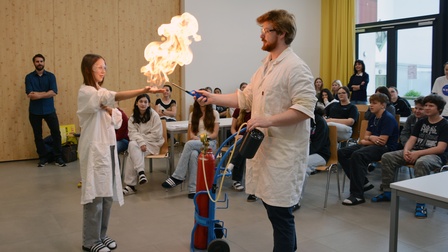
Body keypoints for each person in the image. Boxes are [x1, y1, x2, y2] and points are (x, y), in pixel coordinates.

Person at [195, 9, 317, 252]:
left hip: (284, 154)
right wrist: (212, 98)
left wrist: (267, 120)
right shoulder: (265, 67)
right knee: (275, 213)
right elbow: (245, 97)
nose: (261, 36)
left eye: (266, 30)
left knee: (281, 215)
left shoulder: (295, 67)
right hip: (266, 153)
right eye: (261, 31)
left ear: (281, 33)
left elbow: (305, 109)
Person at [77, 53, 161, 252]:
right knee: (95, 195)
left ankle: (101, 235)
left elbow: (118, 119)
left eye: (105, 67)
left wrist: (109, 110)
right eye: (99, 67)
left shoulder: (101, 92)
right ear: (89, 69)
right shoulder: (86, 92)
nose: (103, 70)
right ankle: (90, 241)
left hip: (108, 148)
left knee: (106, 194)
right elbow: (112, 98)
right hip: (95, 150)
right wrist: (142, 90)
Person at [371, 94, 448, 219]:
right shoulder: (421, 122)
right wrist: (407, 150)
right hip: (415, 151)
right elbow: (412, 139)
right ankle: (387, 192)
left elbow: (441, 148)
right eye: (426, 105)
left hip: (435, 156)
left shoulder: (445, 124)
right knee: (387, 157)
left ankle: (421, 202)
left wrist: (417, 153)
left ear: (439, 109)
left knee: (421, 163)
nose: (427, 108)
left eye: (431, 106)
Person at [338, 93, 399, 206]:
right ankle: (363, 183)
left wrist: (369, 139)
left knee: (358, 155)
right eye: (371, 103)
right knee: (341, 152)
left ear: (383, 105)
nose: (371, 105)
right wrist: (371, 138)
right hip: (371, 145)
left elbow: (382, 142)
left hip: (385, 149)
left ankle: (357, 194)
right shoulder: (373, 117)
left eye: (374, 103)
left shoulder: (388, 118)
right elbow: (364, 139)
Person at [162, 99, 219, 199]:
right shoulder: (193, 114)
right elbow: (190, 134)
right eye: (199, 99)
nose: (201, 101)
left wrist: (202, 138)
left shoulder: (215, 113)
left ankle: (178, 177)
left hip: (210, 143)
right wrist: (195, 138)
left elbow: (214, 134)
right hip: (196, 143)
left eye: (204, 98)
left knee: (188, 145)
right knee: (193, 154)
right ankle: (193, 189)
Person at [25, 54, 66, 167]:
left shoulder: (51, 76)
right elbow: (30, 95)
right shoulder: (29, 77)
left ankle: (58, 157)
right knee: (37, 135)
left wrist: (38, 94)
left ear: (44, 62)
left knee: (56, 133)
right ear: (34, 63)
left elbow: (54, 92)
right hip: (34, 111)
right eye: (37, 61)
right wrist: (45, 93)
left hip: (49, 110)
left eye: (41, 61)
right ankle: (43, 158)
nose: (39, 63)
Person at [122, 94, 164, 196]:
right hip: (139, 145)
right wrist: (141, 142)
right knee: (132, 145)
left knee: (132, 149)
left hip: (153, 144)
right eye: (141, 101)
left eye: (145, 102)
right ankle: (141, 173)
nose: (143, 104)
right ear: (136, 103)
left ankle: (130, 186)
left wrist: (140, 140)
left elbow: (157, 135)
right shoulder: (132, 118)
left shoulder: (154, 115)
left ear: (149, 104)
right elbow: (131, 134)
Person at [226, 108, 252, 197]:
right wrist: (237, 135)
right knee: (241, 148)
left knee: (243, 146)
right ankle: (236, 179)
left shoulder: (255, 111)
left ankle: (231, 165)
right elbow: (232, 128)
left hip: (250, 140)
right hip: (238, 139)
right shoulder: (238, 110)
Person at [307, 105, 330, 176]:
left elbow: (317, 145)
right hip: (304, 152)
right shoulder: (303, 120)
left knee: (303, 164)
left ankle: (298, 187)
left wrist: (302, 154)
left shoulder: (320, 122)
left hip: (320, 154)